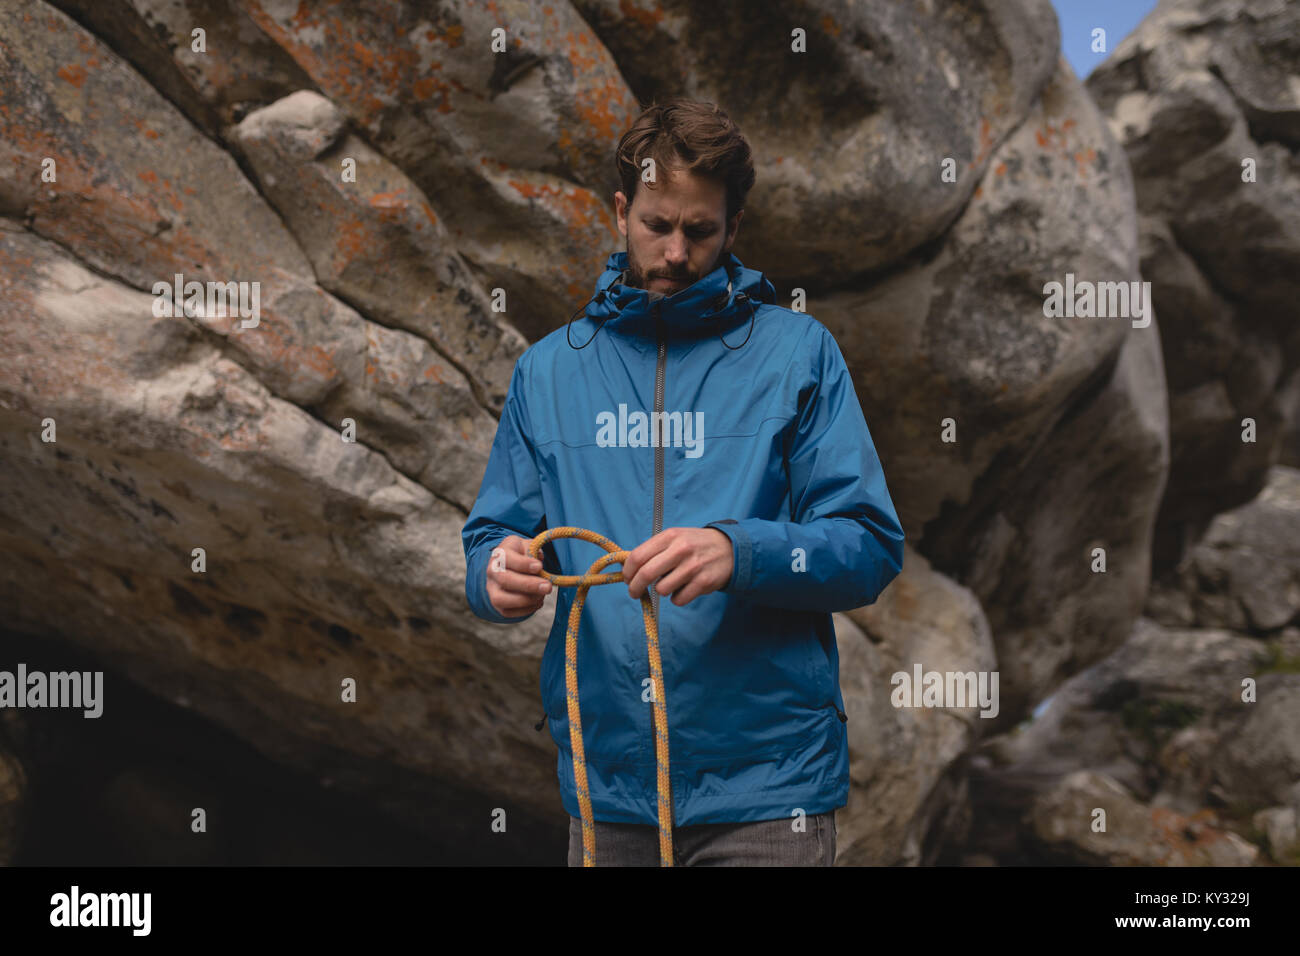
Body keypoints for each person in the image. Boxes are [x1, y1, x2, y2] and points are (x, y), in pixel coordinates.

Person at [462, 97, 904, 866]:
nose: (675, 252)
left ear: (734, 228)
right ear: (620, 212)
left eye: (699, 231)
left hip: (770, 794)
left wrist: (740, 552)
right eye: (656, 225)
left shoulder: (798, 354)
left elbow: (868, 546)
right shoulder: (548, 371)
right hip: (608, 793)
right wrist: (494, 573)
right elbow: (493, 534)